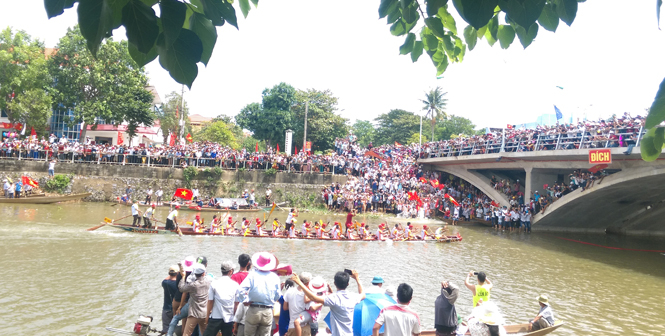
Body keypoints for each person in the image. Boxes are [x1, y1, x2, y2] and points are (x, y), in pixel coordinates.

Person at [291, 270, 365, 336]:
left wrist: (300, 284)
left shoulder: (333, 298)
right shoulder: (353, 296)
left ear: (335, 283)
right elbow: (363, 295)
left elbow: (313, 298)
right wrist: (357, 278)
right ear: (348, 284)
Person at [238, 252, 281, 336]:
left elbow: (240, 290)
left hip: (254, 308)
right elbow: (278, 295)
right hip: (267, 310)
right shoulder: (275, 277)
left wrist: (245, 300)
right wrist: (271, 300)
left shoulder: (252, 274)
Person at [203, 261, 239, 336]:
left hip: (216, 316)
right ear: (231, 271)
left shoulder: (214, 283)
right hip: (229, 318)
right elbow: (236, 304)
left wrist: (207, 317)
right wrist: (236, 320)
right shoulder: (235, 285)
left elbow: (210, 302)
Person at [178, 263, 211, 336]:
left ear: (195, 274)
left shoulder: (193, 285)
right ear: (203, 273)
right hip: (204, 314)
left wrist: (183, 276)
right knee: (204, 333)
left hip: (194, 314)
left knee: (186, 334)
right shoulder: (208, 283)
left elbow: (181, 288)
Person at [283, 272, 312, 336]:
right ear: (308, 282)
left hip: (292, 326)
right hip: (304, 326)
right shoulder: (308, 294)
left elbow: (285, 308)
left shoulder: (289, 291)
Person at [161, 265, 179, 335]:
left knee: (166, 328)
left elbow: (166, 278)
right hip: (177, 308)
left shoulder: (165, 283)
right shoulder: (179, 284)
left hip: (167, 309)